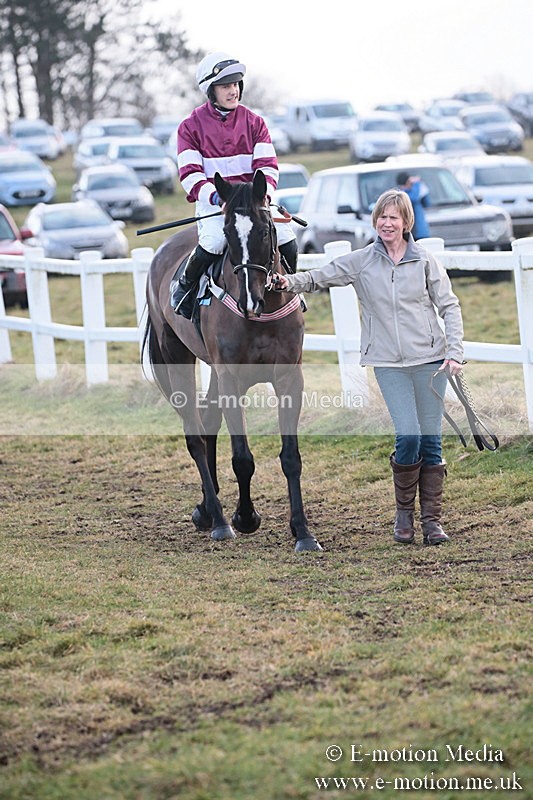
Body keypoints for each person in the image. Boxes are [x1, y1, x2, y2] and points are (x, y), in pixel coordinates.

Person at [271, 189, 465, 546]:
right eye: (381, 217)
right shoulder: (362, 261)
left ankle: (431, 522)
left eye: (394, 217)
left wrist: (453, 352)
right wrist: (288, 282)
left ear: (406, 223)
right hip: (388, 362)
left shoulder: (424, 261)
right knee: (408, 435)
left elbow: (449, 306)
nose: (386, 223)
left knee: (432, 441)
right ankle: (403, 514)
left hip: (430, 361)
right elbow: (320, 277)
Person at [170, 51, 299, 319]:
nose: (233, 91)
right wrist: (219, 199)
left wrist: (263, 197)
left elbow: (267, 167)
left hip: (255, 204)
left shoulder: (255, 122)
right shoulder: (189, 128)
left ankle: (292, 293)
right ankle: (184, 288)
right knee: (215, 241)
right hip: (217, 205)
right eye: (225, 86)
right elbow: (190, 176)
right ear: (210, 90)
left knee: (288, 240)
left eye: (236, 84)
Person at [396, 172, 431, 240]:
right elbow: (414, 198)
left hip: (421, 232)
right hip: (410, 234)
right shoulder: (402, 195)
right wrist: (417, 183)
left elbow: (427, 203)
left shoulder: (415, 192)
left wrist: (421, 187)